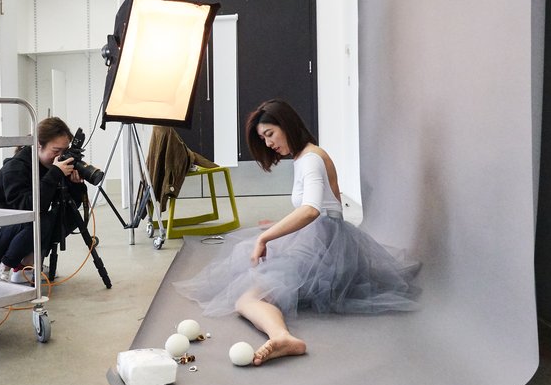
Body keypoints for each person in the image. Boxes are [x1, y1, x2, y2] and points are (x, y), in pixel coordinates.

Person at [174, 99, 420, 366]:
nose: (268, 144)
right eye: (263, 138)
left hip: (321, 244)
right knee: (256, 270)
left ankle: (282, 337)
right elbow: (314, 210)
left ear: (287, 125)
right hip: (322, 238)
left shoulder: (311, 159)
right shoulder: (305, 157)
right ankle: (280, 329)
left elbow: (312, 210)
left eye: (270, 134)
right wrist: (277, 229)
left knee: (246, 299)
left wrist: (265, 237)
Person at [0, 117, 87, 283]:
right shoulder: (15, 168)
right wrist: (54, 175)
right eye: (56, 151)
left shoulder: (51, 166)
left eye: (65, 151)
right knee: (39, 219)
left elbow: (69, 206)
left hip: (14, 233)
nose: (61, 157)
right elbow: (27, 209)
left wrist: (75, 185)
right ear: (38, 145)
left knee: (69, 217)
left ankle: (26, 266)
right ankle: (4, 268)